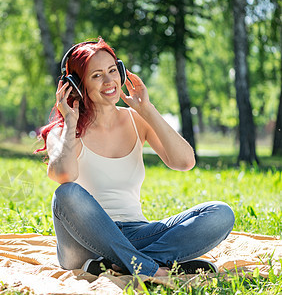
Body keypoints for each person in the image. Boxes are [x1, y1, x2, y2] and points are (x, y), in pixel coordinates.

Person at [35, 38, 235, 277]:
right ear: (77, 85)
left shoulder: (135, 119)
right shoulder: (63, 131)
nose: (110, 81)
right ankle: (152, 266)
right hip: (83, 244)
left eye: (112, 71)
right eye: (97, 75)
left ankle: (126, 264)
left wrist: (146, 109)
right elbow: (65, 174)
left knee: (220, 213)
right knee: (66, 193)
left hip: (137, 233)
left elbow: (184, 162)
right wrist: (70, 121)